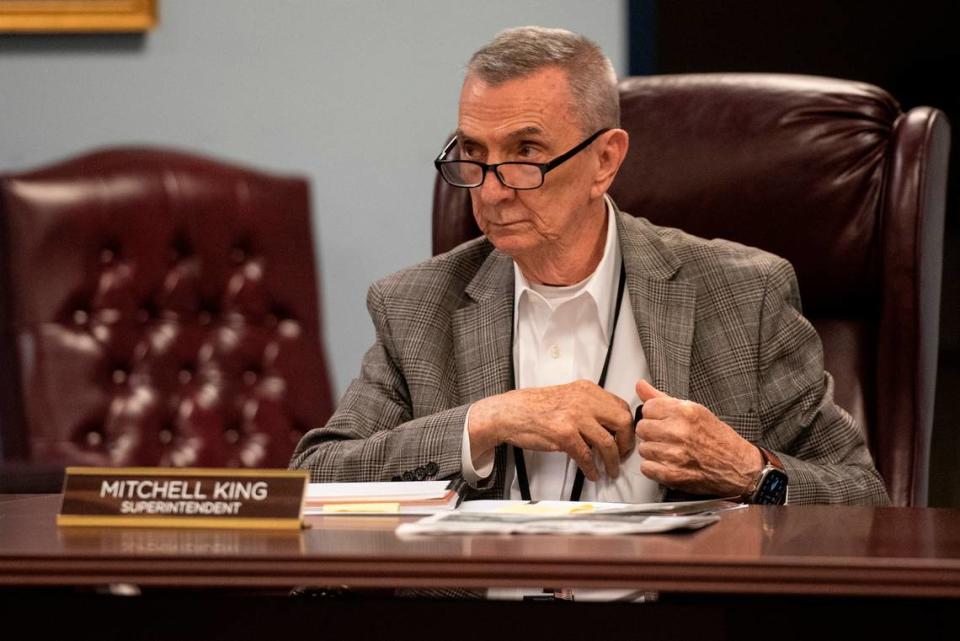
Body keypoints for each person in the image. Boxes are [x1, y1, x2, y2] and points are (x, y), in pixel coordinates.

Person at [291, 26, 889, 507]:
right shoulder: (417, 306)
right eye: (474, 154)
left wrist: (750, 471)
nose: (491, 193)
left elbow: (866, 501)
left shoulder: (740, 295)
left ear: (605, 160)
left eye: (525, 155)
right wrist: (485, 421)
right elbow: (314, 479)